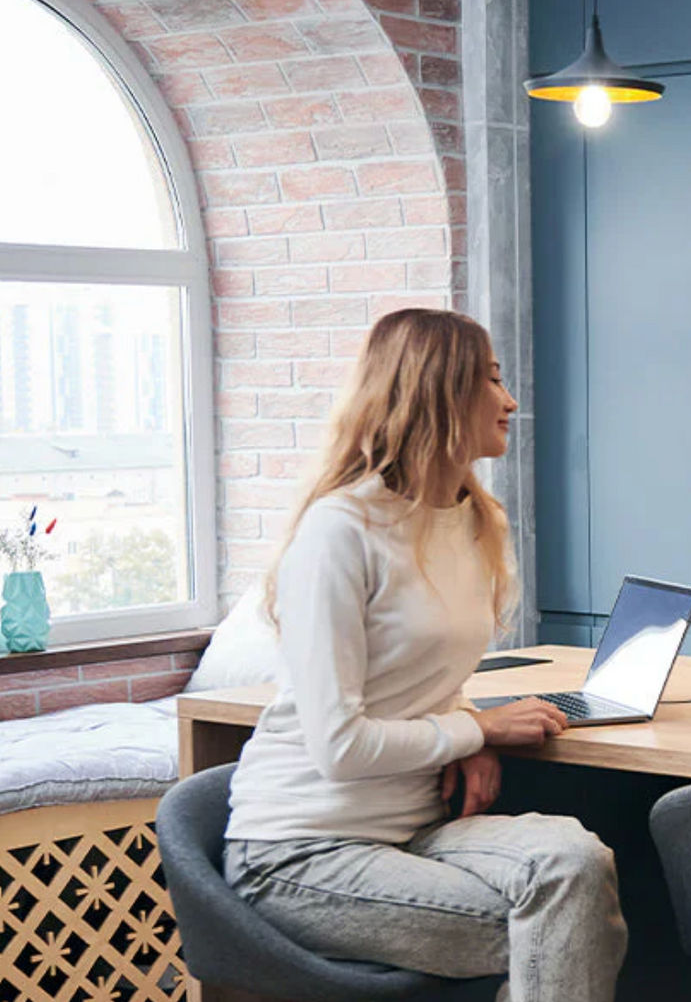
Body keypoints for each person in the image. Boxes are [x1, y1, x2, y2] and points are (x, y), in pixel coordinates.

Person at [222, 309, 627, 1001]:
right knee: (562, 932)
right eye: (492, 381)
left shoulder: (474, 521)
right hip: (300, 849)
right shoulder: (339, 531)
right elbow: (339, 747)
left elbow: (423, 674)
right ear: (438, 392)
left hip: (413, 831)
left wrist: (462, 726)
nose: (511, 401)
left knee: (576, 866)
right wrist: (480, 729)